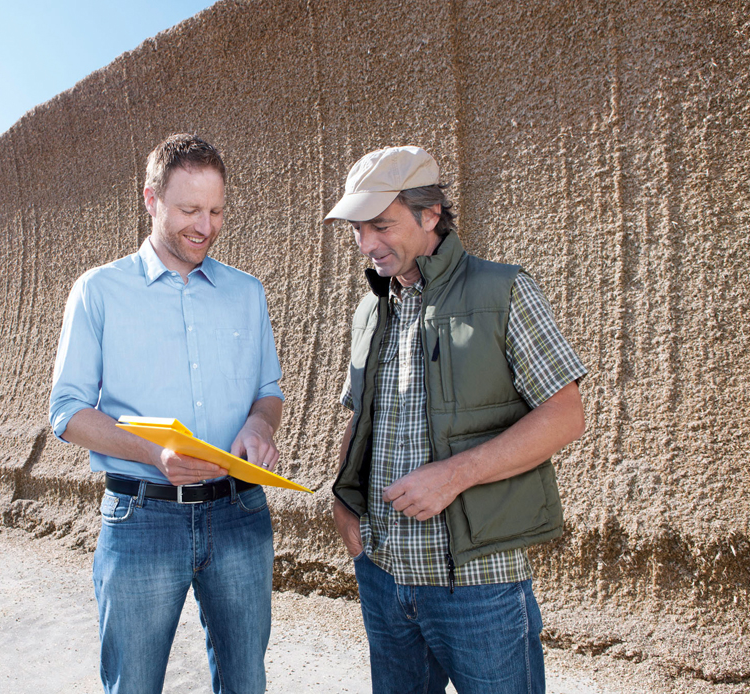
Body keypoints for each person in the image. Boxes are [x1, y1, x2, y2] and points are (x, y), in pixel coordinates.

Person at [324, 145, 587, 694]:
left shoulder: (504, 290)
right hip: (382, 576)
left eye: (380, 225)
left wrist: (455, 474)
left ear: (430, 214)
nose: (366, 245)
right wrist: (342, 500)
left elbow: (565, 416)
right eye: (357, 230)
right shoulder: (372, 309)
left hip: (476, 585)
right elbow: (360, 417)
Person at [49, 133, 284, 694]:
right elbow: (67, 411)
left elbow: (268, 391)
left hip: (240, 515)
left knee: (246, 684)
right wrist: (157, 454)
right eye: (189, 210)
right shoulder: (98, 291)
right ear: (150, 199)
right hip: (142, 519)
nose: (205, 226)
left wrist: (259, 425)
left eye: (216, 211)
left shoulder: (247, 293)